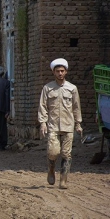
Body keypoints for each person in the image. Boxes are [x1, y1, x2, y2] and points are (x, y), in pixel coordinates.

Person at [38, 58, 82, 189]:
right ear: (54, 72)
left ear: (66, 72)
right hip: (53, 126)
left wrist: (78, 124)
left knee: (66, 153)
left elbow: (76, 107)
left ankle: (63, 179)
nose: (60, 73)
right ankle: (51, 169)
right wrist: (42, 123)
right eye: (57, 71)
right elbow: (43, 106)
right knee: (53, 152)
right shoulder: (47, 88)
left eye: (62, 71)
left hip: (68, 126)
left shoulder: (72, 88)